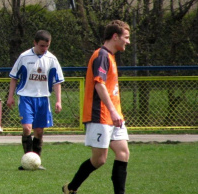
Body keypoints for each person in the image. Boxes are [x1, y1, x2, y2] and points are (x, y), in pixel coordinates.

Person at [62, 20, 130, 194]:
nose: (128, 42)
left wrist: (116, 113)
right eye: (126, 37)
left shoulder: (110, 57)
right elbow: (99, 85)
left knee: (123, 153)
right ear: (115, 36)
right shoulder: (101, 56)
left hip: (114, 116)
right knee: (100, 159)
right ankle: (70, 188)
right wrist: (113, 112)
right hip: (99, 114)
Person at [7, 30, 64, 170]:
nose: (44, 49)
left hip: (43, 99)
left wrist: (58, 101)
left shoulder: (52, 59)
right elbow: (14, 77)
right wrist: (10, 97)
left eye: (47, 46)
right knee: (27, 128)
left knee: (39, 131)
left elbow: (57, 82)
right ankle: (28, 160)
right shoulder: (24, 57)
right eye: (42, 46)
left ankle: (36, 162)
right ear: (35, 43)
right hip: (26, 97)